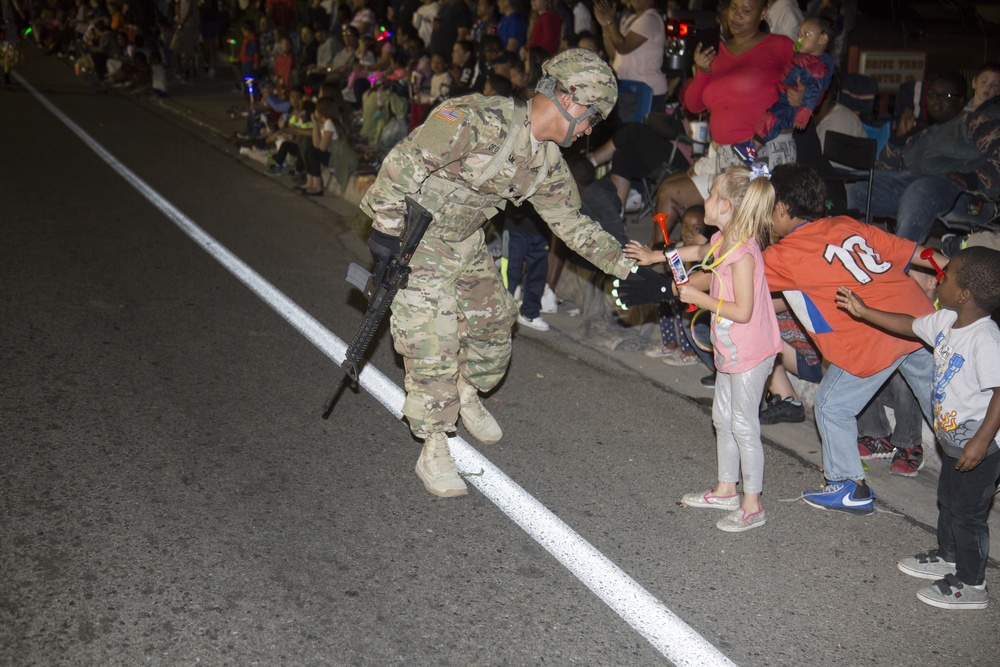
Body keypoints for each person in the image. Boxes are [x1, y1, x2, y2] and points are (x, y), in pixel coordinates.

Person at [359, 48, 634, 497]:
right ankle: (434, 444)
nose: (589, 131)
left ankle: (468, 393)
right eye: (592, 118)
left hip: (464, 242)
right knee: (433, 343)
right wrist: (387, 237)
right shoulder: (477, 119)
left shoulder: (546, 163)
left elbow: (574, 226)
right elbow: (401, 167)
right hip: (416, 242)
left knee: (495, 326)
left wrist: (629, 266)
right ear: (571, 99)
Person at [762, 163, 947, 513]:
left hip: (876, 335)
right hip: (917, 321)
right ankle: (985, 457)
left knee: (832, 405)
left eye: (769, 209)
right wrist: (952, 267)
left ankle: (849, 486)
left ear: (783, 209)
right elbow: (911, 251)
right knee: (943, 408)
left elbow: (738, 278)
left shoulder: (783, 254)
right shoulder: (845, 224)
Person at [835, 247, 1000, 610]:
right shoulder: (946, 322)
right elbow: (907, 323)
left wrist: (982, 441)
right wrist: (863, 312)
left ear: (965, 294)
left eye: (949, 273)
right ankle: (948, 555)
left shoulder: (985, 338)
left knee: (969, 514)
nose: (941, 277)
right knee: (950, 501)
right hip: (954, 442)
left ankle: (972, 585)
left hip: (979, 447)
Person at [621, 165, 781, 532]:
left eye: (710, 194)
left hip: (751, 350)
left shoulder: (743, 254)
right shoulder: (727, 240)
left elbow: (743, 310)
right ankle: (727, 488)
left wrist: (697, 295)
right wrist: (655, 257)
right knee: (722, 419)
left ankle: (752, 504)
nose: (703, 200)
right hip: (731, 347)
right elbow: (698, 250)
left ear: (725, 207)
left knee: (743, 425)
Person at [653, 0, 795, 246]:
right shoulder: (716, 51)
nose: (737, 15)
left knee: (757, 231)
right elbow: (692, 105)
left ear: (763, 13)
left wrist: (800, 100)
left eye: (747, 10)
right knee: (677, 197)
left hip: (764, 152)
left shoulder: (780, 46)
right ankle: (654, 267)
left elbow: (814, 78)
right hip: (726, 156)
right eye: (734, 8)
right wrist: (702, 71)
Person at [846, 72, 1000, 244]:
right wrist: (899, 138)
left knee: (920, 190)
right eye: (932, 95)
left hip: (965, 195)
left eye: (946, 95)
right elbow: (884, 169)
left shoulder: (977, 122)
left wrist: (972, 178)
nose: (937, 100)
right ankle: (856, 251)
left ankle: (900, 260)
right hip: (913, 189)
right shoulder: (921, 135)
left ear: (961, 100)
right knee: (857, 183)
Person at [731, 15, 836, 165]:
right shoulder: (804, 57)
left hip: (790, 107)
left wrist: (803, 113)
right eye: (799, 34)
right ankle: (753, 149)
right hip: (783, 100)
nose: (800, 38)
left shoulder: (818, 66)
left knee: (772, 118)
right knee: (770, 118)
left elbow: (814, 91)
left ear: (822, 39)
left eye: (806, 34)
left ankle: (752, 149)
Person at [593, 0, 667, 113]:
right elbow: (614, 52)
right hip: (628, 87)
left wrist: (610, 21)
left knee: (639, 130)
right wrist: (605, 26)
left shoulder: (651, 19)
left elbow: (623, 47)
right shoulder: (630, 19)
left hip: (647, 90)